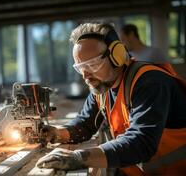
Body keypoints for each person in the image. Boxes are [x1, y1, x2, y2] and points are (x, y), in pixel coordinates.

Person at [36, 23, 186, 175]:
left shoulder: (150, 82)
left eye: (92, 65)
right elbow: (86, 124)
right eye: (81, 67)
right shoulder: (101, 86)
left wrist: (79, 157)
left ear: (117, 56)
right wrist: (56, 133)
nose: (85, 75)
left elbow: (141, 143)